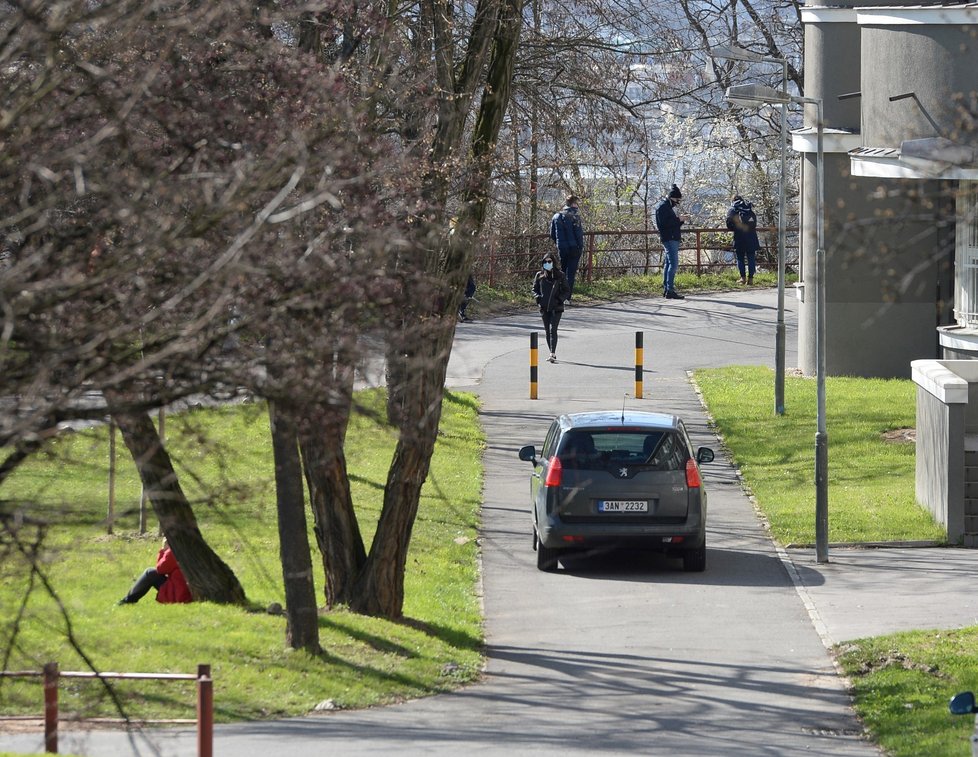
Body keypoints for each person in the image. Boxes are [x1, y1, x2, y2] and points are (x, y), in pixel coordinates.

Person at [118, 539, 192, 605]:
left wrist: (163, 550)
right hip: (186, 588)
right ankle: (128, 599)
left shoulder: (174, 550)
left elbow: (160, 569)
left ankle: (128, 600)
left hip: (179, 592)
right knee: (151, 572)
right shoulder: (191, 548)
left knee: (150, 573)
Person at [532, 252, 572, 363]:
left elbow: (566, 290)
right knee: (546, 330)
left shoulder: (560, 275)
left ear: (553, 262)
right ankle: (551, 351)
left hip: (556, 308)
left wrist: (559, 299)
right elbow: (534, 289)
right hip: (544, 307)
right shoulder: (539, 275)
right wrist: (538, 298)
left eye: (549, 261)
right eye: (545, 262)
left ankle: (552, 353)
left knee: (552, 329)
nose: (547, 263)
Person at [655, 184, 688, 299]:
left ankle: (667, 289)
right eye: (677, 199)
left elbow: (670, 223)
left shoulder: (665, 207)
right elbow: (665, 224)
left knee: (668, 264)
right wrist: (678, 219)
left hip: (670, 237)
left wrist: (680, 220)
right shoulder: (663, 207)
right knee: (673, 264)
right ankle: (669, 289)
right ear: (672, 198)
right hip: (670, 238)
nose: (678, 202)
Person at [549, 195, 585, 300]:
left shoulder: (556, 216)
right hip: (574, 248)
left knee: (563, 271)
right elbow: (579, 234)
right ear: (574, 203)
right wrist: (580, 247)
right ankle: (566, 298)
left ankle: (558, 294)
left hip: (562, 247)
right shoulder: (575, 216)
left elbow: (552, 234)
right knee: (571, 273)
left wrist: (559, 243)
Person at [726, 194, 761, 285]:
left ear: (733, 200)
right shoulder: (748, 208)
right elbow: (754, 223)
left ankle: (743, 278)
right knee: (751, 258)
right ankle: (751, 279)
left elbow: (729, 223)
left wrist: (736, 228)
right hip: (751, 237)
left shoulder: (733, 209)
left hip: (739, 237)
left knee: (740, 258)